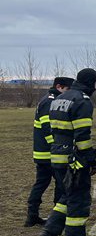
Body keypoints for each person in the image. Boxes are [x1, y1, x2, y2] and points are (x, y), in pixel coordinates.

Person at [38, 68, 96, 236]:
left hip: (57, 154)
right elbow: (82, 135)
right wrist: (90, 159)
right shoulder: (82, 101)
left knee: (68, 194)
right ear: (90, 83)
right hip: (74, 158)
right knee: (80, 199)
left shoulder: (59, 99)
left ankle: (50, 230)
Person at [25, 76, 73, 227]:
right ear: (59, 87)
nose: (69, 93)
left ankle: (32, 216)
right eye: (67, 89)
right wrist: (57, 147)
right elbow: (48, 128)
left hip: (43, 153)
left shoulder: (48, 99)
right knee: (60, 184)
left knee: (42, 183)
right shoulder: (50, 102)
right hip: (49, 153)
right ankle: (56, 218)